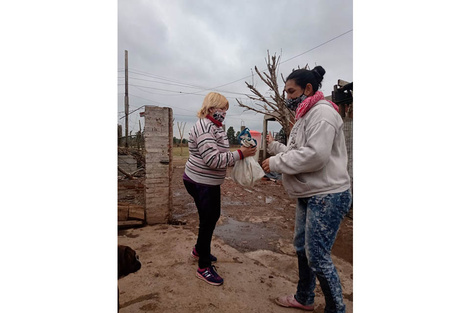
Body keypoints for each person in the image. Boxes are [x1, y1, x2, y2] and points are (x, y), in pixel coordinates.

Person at [262, 66, 352, 312]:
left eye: (291, 91)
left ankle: (336, 308)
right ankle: (304, 297)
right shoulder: (304, 115)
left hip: (327, 194)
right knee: (302, 247)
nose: (288, 97)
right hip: (309, 192)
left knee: (318, 256)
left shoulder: (322, 114)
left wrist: (277, 163)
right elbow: (298, 152)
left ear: (308, 89)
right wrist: (276, 150)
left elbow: (315, 156)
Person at [183, 92, 257, 286]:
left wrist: (240, 151)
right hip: (201, 182)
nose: (224, 113)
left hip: (207, 182)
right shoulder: (204, 128)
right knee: (208, 220)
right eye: (222, 109)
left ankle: (200, 249)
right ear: (211, 107)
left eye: (226, 110)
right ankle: (203, 266)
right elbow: (213, 160)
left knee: (210, 217)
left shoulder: (215, 127)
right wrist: (240, 154)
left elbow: (221, 154)